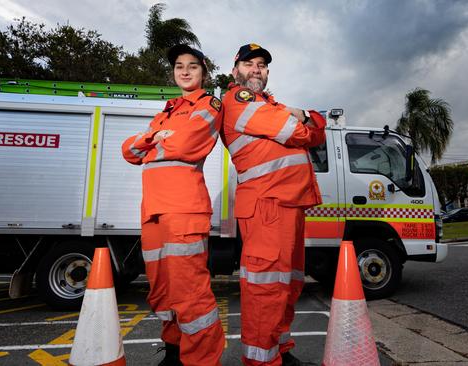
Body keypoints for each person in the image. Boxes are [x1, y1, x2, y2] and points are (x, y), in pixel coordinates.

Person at [221, 43, 326, 366]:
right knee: (266, 290)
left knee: (289, 284)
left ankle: (280, 349)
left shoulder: (269, 104)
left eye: (262, 65)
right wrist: (300, 117)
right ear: (235, 70)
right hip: (267, 204)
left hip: (288, 204)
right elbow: (298, 132)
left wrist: (307, 117)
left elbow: (317, 132)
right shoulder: (237, 100)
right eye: (249, 64)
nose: (257, 69)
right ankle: (261, 361)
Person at [122, 44, 225, 366]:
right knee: (162, 292)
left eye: (192, 66)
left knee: (190, 294)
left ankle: (202, 361)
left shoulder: (209, 105)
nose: (184, 71)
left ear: (203, 73)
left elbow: (185, 142)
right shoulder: (166, 112)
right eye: (179, 66)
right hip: (153, 211)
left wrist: (150, 141)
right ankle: (175, 352)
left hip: (184, 210)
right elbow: (128, 153)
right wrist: (154, 138)